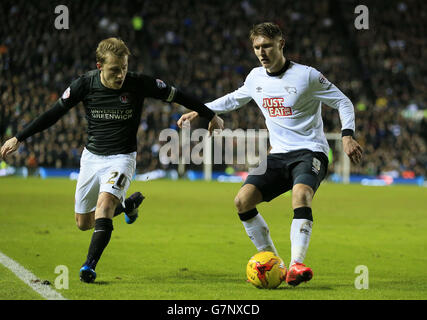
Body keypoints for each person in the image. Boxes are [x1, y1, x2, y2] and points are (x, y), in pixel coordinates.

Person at [0, 37, 224, 283]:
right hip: (92, 158)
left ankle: (89, 266)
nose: (121, 75)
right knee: (83, 223)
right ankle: (127, 206)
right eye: (114, 70)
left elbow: (179, 95)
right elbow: (54, 113)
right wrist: (19, 138)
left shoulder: (138, 83)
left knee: (104, 206)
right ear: (99, 66)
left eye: (124, 68)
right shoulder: (84, 84)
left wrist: (210, 114)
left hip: (122, 158)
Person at [177, 22, 363, 286]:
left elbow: (342, 101)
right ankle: (276, 264)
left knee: (300, 195)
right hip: (278, 155)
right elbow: (234, 98)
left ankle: (298, 264)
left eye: (266, 46)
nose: (261, 52)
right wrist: (201, 109)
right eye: (256, 47)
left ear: (281, 44)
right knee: (242, 201)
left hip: (310, 151)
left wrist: (347, 135)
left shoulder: (307, 76)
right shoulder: (255, 78)